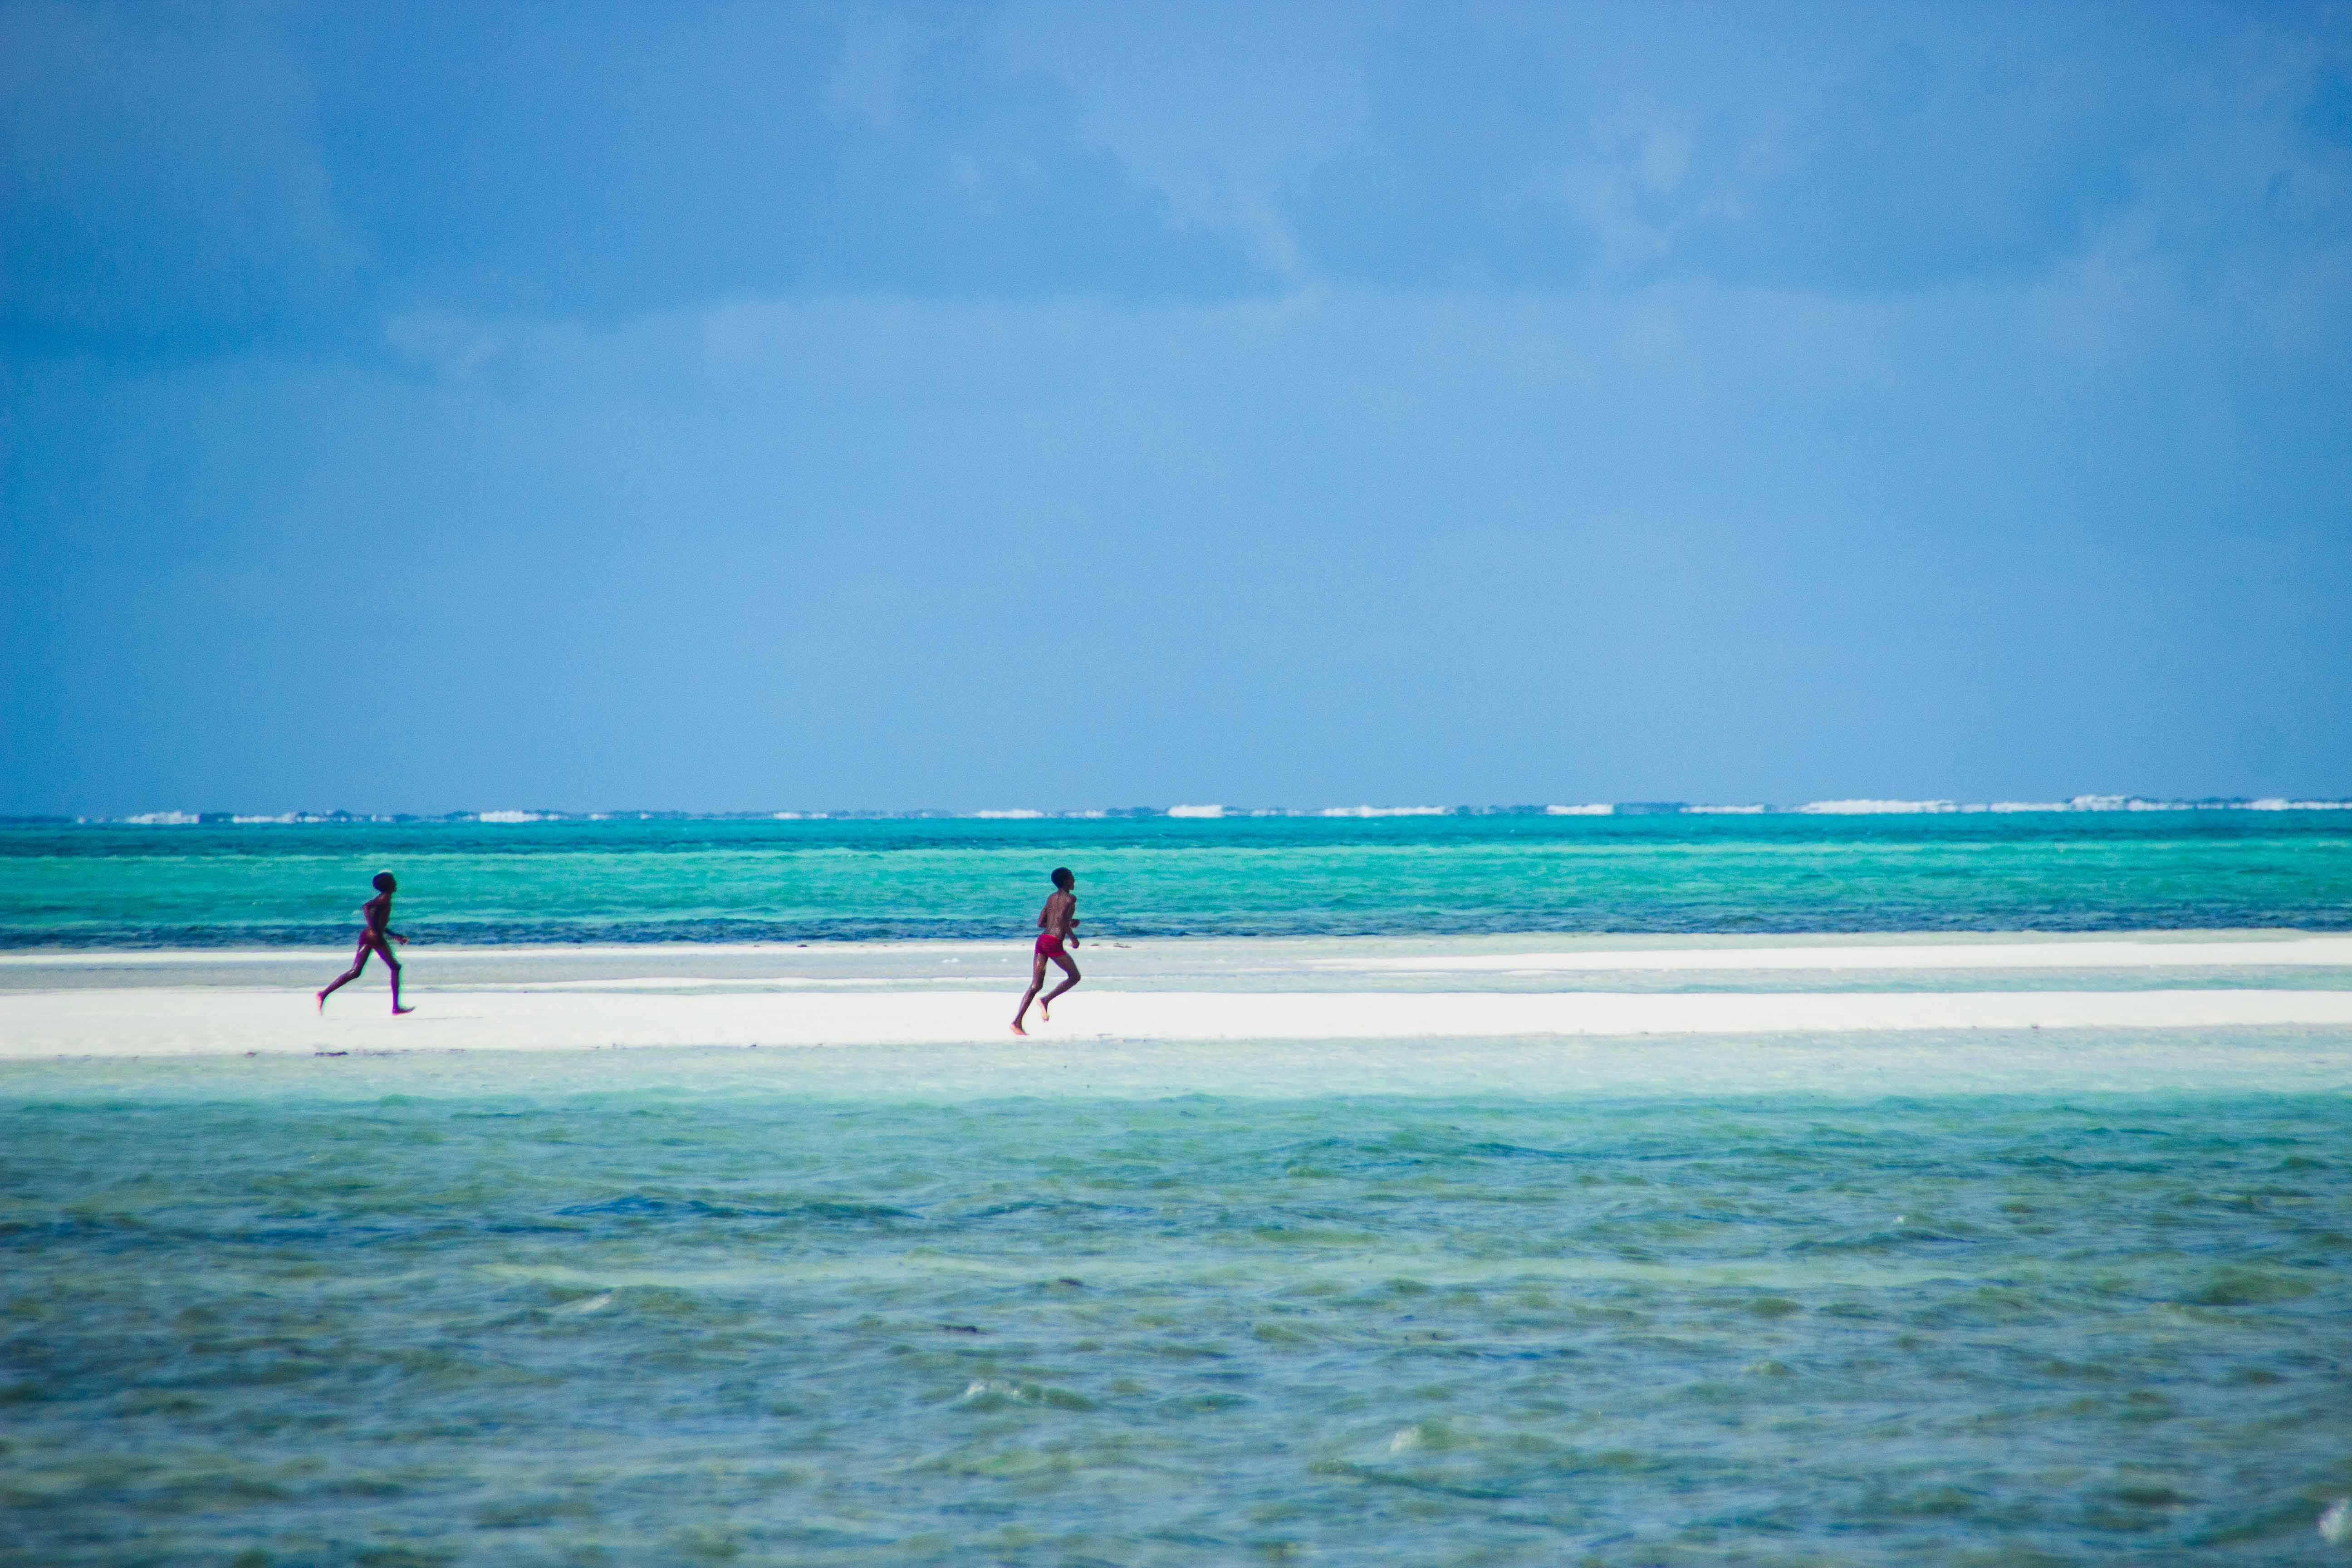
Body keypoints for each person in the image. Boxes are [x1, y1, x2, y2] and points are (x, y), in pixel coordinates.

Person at [318, 872, 412, 1014]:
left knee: (355, 972)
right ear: (389, 885)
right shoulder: (384, 898)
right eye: (393, 881)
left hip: (367, 935)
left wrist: (395, 936)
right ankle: (396, 1007)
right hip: (374, 937)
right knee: (396, 967)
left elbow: (379, 923)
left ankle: (324, 994)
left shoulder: (384, 898)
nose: (396, 883)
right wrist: (374, 929)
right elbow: (366, 907)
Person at [1011, 867, 1080, 1034]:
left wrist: (1068, 924)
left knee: (1036, 985)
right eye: (1072, 877)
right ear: (1066, 881)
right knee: (1074, 977)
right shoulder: (1071, 899)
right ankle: (1046, 1000)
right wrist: (1073, 938)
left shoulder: (1051, 898)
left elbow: (1042, 923)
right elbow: (1060, 920)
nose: (1074, 880)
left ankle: (1017, 1023)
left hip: (1042, 941)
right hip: (1053, 943)